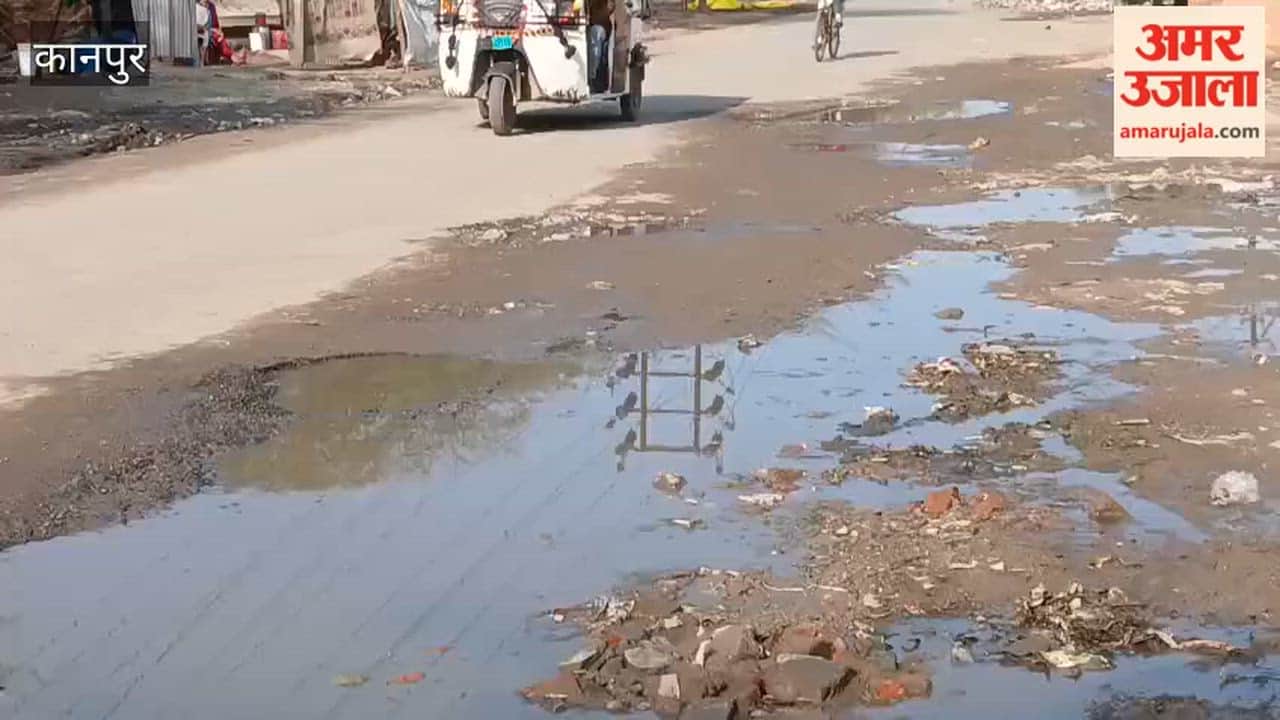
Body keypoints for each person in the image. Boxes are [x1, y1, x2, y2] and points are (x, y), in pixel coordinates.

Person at [587, 0, 613, 91]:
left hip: (600, 30)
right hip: (585, 27)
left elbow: (611, 9)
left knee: (596, 32)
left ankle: (593, 77)